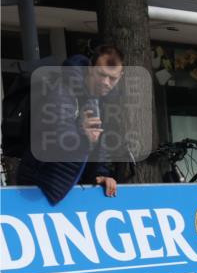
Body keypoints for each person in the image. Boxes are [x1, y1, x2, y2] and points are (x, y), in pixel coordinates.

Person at [16, 45, 124, 204]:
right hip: (41, 185)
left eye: (112, 78)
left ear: (121, 76)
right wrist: (82, 134)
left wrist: (101, 174)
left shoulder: (103, 100)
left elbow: (100, 142)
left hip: (70, 187)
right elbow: (57, 136)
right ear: (90, 68)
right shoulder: (62, 91)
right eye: (101, 74)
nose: (106, 82)